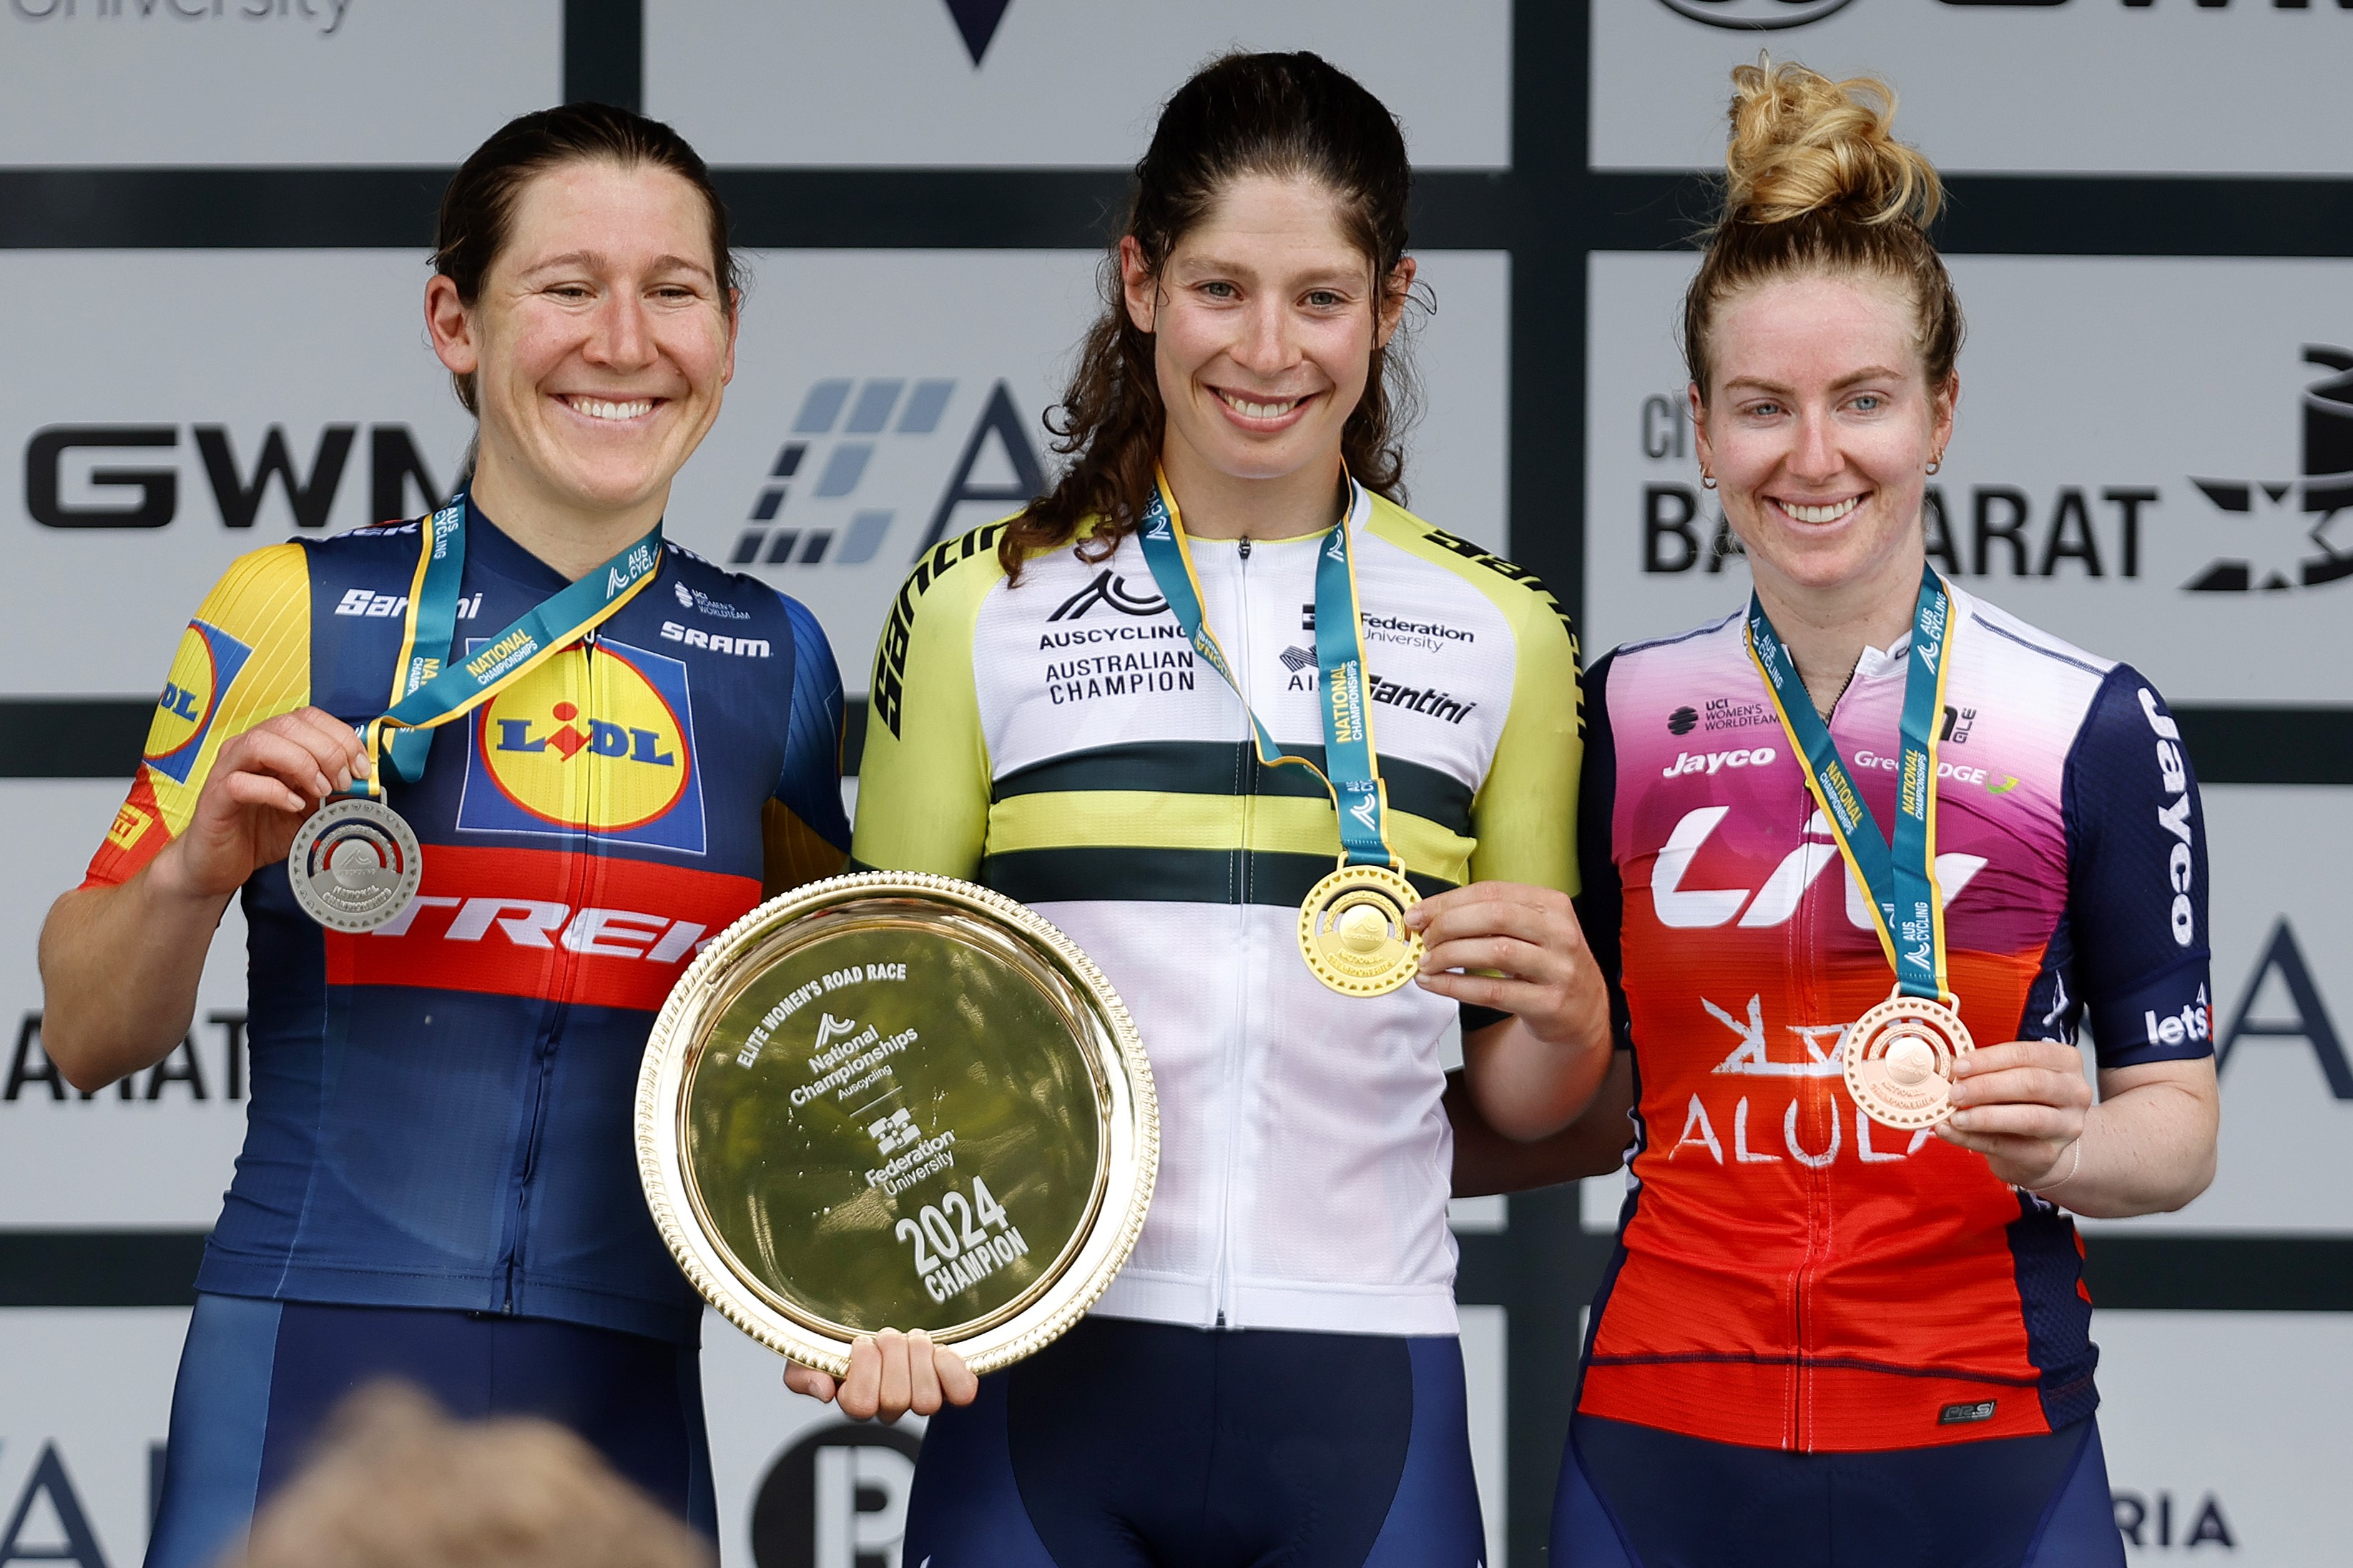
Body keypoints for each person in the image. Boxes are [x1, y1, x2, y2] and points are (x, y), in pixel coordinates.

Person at [807, 49, 1596, 1567]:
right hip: (1043, 1378)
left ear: (1392, 300)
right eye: (1221, 287)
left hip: (1367, 1382)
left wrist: (1566, 1022)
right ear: (1140, 282)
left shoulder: (1502, 626)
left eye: (1319, 298)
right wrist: (856, 1282)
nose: (1269, 347)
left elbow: (1518, 1105)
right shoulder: (984, 601)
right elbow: (872, 1015)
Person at [35, 103, 852, 1566]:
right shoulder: (292, 605)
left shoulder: (777, 660)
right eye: (564, 285)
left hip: (625, 1395)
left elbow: (838, 1052)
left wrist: (872, 1297)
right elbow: (89, 1032)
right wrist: (195, 869)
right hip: (303, 1373)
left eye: (672, 290)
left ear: (727, 332)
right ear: (453, 319)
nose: (622, 338)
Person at [1468, 61, 2223, 1567]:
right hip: (1660, 1445)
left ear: (1941, 412)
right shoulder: (1611, 716)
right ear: (1696, 428)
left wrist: (2066, 1145)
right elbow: (1568, 1100)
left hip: (1986, 1441)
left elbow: (2177, 1124)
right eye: (1763, 407)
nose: (1813, 459)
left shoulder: (2084, 717)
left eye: (1862, 401)